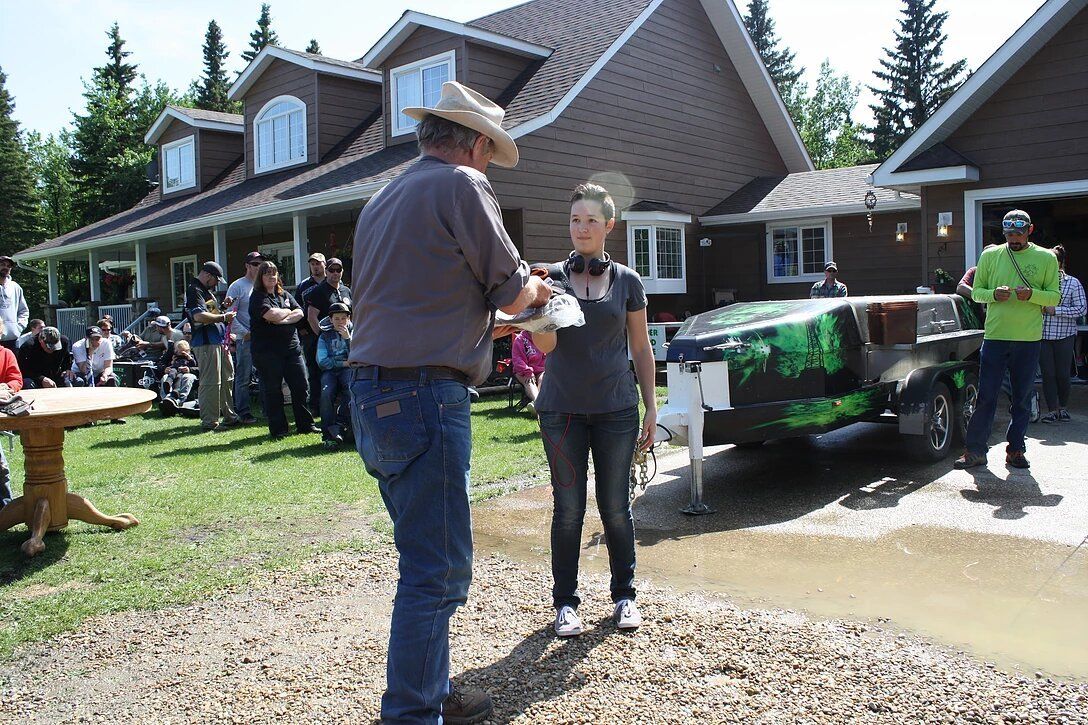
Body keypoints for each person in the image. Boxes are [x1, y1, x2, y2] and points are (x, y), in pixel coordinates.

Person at [348, 80, 551, 724]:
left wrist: (488, 320)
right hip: (425, 394)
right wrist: (541, 294)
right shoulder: (460, 185)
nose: (490, 164)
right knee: (436, 569)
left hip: (373, 393)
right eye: (490, 151)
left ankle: (428, 693)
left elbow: (417, 302)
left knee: (431, 558)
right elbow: (513, 291)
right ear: (472, 143)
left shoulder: (383, 198)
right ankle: (412, 712)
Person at [531, 183, 656, 639]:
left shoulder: (627, 281)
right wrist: (538, 314)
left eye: (590, 220)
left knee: (615, 508)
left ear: (609, 226)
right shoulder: (549, 281)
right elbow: (545, 346)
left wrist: (650, 405)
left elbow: (641, 349)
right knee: (568, 509)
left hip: (616, 409)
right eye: (574, 220)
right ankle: (565, 604)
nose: (581, 228)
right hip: (561, 410)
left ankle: (625, 596)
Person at [955, 210, 1060, 469]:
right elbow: (976, 292)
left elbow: (1054, 298)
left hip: (1028, 338)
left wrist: (1032, 294)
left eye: (1019, 233)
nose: (1014, 239)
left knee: (1022, 397)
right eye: (1009, 234)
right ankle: (975, 451)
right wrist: (993, 294)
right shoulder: (990, 255)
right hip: (996, 336)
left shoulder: (1046, 257)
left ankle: (1016, 450)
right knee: (986, 396)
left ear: (1030, 230)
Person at [249, 260, 316, 440]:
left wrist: (282, 318)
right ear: (260, 277)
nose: (271, 277)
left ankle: (306, 425)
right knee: (272, 391)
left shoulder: (284, 294)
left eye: (274, 273)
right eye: (267, 273)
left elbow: (300, 312)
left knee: (301, 386)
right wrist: (286, 312)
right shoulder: (257, 297)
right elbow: (270, 315)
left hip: (291, 349)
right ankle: (279, 429)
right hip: (267, 352)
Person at [185, 261, 239, 432]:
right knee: (211, 382)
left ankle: (230, 416)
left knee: (226, 379)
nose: (217, 284)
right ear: (208, 275)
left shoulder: (205, 291)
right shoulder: (194, 290)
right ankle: (210, 421)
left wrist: (223, 308)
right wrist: (224, 318)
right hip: (206, 343)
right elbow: (199, 316)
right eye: (216, 280)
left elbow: (211, 313)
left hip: (219, 341)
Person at [1040, 244, 1086, 423]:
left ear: (1060, 263)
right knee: (1048, 374)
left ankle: (1063, 408)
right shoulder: (1040, 283)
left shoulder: (1072, 282)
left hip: (1065, 335)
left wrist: (1056, 310)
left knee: (1062, 374)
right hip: (1042, 335)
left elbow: (1082, 308)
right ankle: (1051, 410)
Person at [226, 251, 266, 424]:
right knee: (244, 377)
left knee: (266, 375)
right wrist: (244, 333)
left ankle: (268, 409)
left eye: (261, 264)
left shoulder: (263, 284)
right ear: (247, 266)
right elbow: (229, 314)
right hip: (247, 339)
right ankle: (243, 412)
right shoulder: (238, 286)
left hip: (264, 337)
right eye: (256, 264)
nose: (259, 267)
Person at [316, 301, 352, 449]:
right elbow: (322, 362)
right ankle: (328, 435)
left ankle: (343, 426)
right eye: (336, 318)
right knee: (326, 393)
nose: (340, 322)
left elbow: (358, 356)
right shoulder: (324, 336)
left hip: (348, 371)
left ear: (348, 319)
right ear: (330, 320)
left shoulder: (355, 332)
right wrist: (343, 363)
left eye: (343, 318)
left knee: (352, 389)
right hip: (330, 372)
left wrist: (348, 339)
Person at [296, 252, 327, 409]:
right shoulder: (303, 286)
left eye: (318, 263)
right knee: (313, 370)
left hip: (330, 334)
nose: (315, 266)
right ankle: (315, 404)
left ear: (324, 264)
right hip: (310, 335)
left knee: (330, 369)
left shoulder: (331, 283)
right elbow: (296, 308)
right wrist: (301, 328)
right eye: (313, 263)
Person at [305, 257, 351, 341]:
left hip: (346, 338)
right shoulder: (319, 291)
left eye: (338, 270)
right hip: (328, 342)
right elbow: (311, 317)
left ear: (342, 271)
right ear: (326, 271)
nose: (335, 273)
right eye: (332, 270)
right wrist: (323, 337)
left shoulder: (346, 290)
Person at [0, 340, 22, 506]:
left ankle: (5, 511)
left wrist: (7, 387)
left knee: (2, 469)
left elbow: (16, 379)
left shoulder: (6, 354)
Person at [511, 330, 546, 412]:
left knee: (543, 378)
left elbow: (545, 356)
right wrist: (528, 371)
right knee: (529, 382)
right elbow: (517, 359)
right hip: (522, 370)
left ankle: (538, 405)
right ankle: (538, 404)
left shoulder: (542, 338)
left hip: (539, 369)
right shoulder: (520, 339)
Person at [158, 338, 198, 409]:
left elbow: (201, 367)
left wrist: (190, 369)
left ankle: (179, 401)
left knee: (186, 377)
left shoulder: (196, 350)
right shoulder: (174, 351)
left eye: (188, 333)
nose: (186, 335)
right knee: (165, 377)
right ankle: (166, 400)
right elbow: (161, 363)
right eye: (185, 332)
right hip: (174, 371)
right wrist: (165, 368)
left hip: (189, 372)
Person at [0, 256, 29, 351]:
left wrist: (18, 328)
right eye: (2, 264)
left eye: (9, 266)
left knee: (11, 366)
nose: (6, 267)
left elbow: (23, 311)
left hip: (12, 339)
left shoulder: (15, 287)